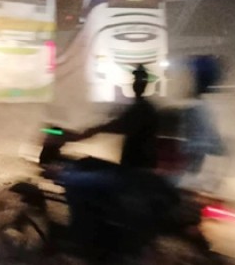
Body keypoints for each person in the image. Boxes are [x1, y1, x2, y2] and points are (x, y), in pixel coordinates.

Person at [58, 65, 162, 254]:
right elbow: (117, 122)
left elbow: (118, 125)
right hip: (135, 172)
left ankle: (81, 238)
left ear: (144, 84)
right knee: (87, 163)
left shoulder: (142, 110)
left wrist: (86, 133)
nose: (136, 85)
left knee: (72, 180)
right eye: (135, 80)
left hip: (131, 175)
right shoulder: (144, 108)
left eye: (139, 81)